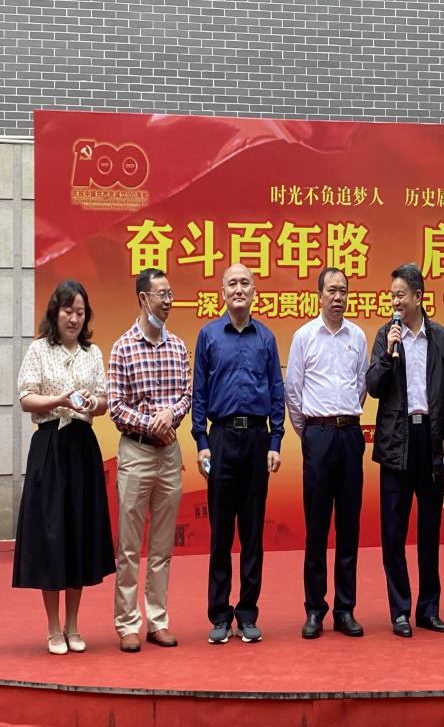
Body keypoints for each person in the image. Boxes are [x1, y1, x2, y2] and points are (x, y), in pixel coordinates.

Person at [13, 280, 115, 654]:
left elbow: (104, 402)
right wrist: (61, 399)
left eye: (80, 312)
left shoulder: (93, 352)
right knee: (51, 533)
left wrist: (91, 403)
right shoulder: (39, 349)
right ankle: (53, 627)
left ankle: (73, 624)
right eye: (68, 310)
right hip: (49, 446)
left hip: (82, 448)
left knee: (78, 532)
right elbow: (26, 398)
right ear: (54, 313)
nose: (74, 318)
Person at [192, 263, 284, 645]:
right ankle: (219, 615)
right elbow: (199, 393)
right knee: (220, 535)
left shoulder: (266, 338)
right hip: (221, 439)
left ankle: (247, 614)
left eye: (245, 282)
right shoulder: (209, 335)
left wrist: (275, 442)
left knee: (252, 534)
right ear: (223, 292)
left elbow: (276, 391)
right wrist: (201, 442)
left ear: (254, 291)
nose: (239, 289)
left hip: (257, 441)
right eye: (232, 283)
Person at [367, 262, 444, 638]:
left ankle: (429, 609)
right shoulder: (384, 335)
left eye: (400, 295)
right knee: (393, 532)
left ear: (418, 297)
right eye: (392, 296)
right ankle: (400, 611)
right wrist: (388, 353)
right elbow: (373, 386)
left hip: (430, 441)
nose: (395, 302)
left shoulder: (440, 337)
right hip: (396, 442)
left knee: (429, 531)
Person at [107, 268, 192, 653]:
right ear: (143, 298)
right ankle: (127, 623)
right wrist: (151, 423)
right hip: (136, 451)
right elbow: (115, 406)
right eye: (162, 294)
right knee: (128, 546)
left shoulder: (178, 346)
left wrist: (170, 416)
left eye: (170, 293)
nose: (169, 300)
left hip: (169, 452)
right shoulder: (122, 347)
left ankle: (157, 620)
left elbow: (187, 395)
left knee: (162, 545)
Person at [285, 267, 368, 639]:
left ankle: (345, 610)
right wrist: (309, 433)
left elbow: (361, 386)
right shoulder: (304, 336)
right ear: (319, 295)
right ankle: (315, 610)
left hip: (349, 434)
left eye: (343, 291)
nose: (338, 297)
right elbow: (293, 390)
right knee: (317, 528)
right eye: (332, 291)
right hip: (317, 436)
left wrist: (342, 421)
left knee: (349, 528)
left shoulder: (358, 336)